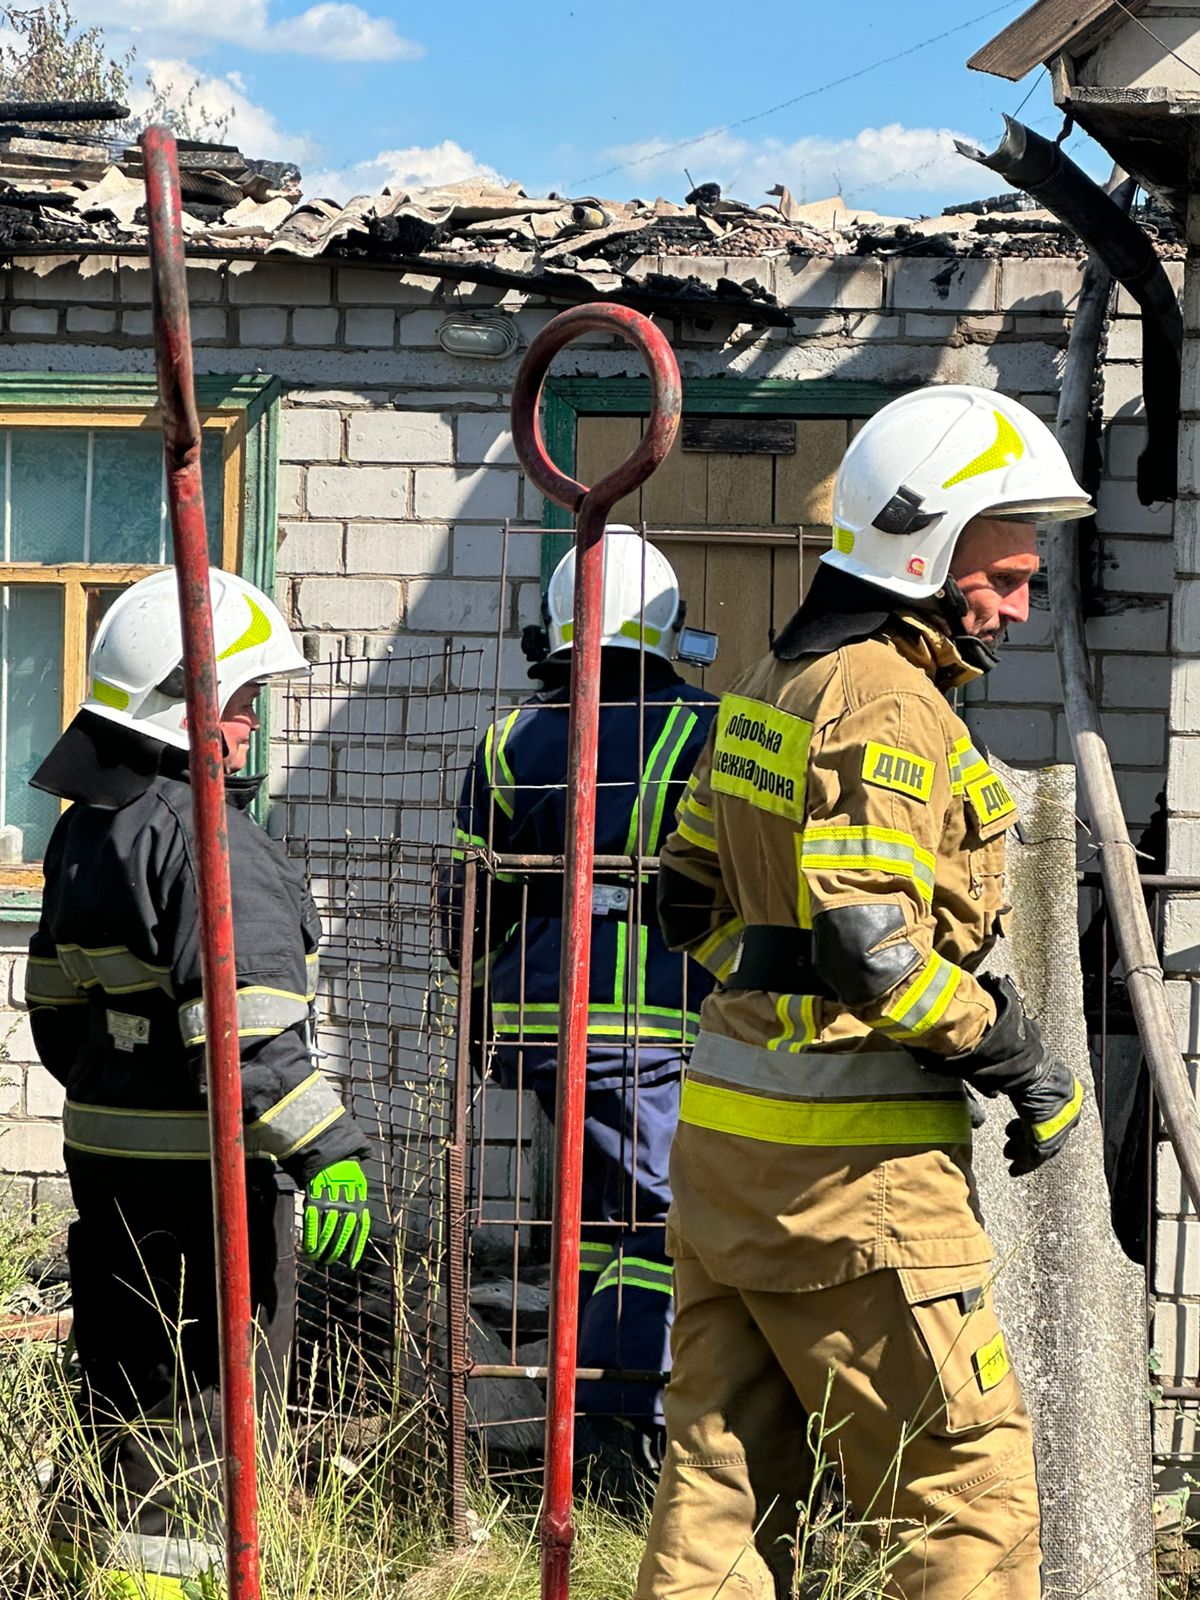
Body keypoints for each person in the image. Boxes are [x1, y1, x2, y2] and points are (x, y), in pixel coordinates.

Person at [637, 385, 1091, 1600]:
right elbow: (870, 948)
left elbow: (684, 902)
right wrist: (1015, 1053)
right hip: (858, 1192)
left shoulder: (771, 678)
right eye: (1004, 577)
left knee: (718, 1507)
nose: (1019, 606)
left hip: (729, 1169)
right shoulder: (888, 698)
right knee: (964, 1503)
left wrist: (777, 995)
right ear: (924, 550)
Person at [26, 569, 372, 1600]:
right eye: (243, 697)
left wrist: (123, 1083)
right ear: (183, 701)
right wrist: (330, 1150)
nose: (254, 720)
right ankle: (174, 1583)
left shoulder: (86, 828)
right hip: (203, 1182)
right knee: (206, 1396)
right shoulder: (214, 841)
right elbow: (249, 1040)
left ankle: (90, 1564)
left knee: (122, 1376)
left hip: (105, 1165)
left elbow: (54, 1015)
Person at [454, 528, 719, 1490]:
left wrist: (489, 1004)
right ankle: (615, 1434)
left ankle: (579, 1417)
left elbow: (465, 902)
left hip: (541, 1024)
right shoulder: (710, 729)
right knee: (658, 1226)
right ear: (669, 627)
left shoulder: (508, 738)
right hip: (654, 1026)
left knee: (593, 1221)